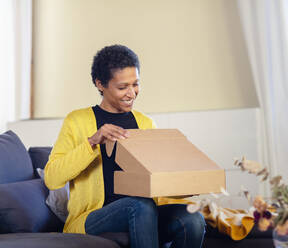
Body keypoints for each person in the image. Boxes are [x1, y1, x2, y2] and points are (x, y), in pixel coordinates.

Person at [44, 44, 205, 248]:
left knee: (193, 220)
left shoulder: (146, 123)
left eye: (135, 84)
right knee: (139, 206)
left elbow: (157, 181)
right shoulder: (76, 121)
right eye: (122, 87)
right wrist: (92, 142)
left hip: (145, 212)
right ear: (100, 84)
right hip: (93, 218)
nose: (132, 93)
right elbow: (52, 178)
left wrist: (182, 178)